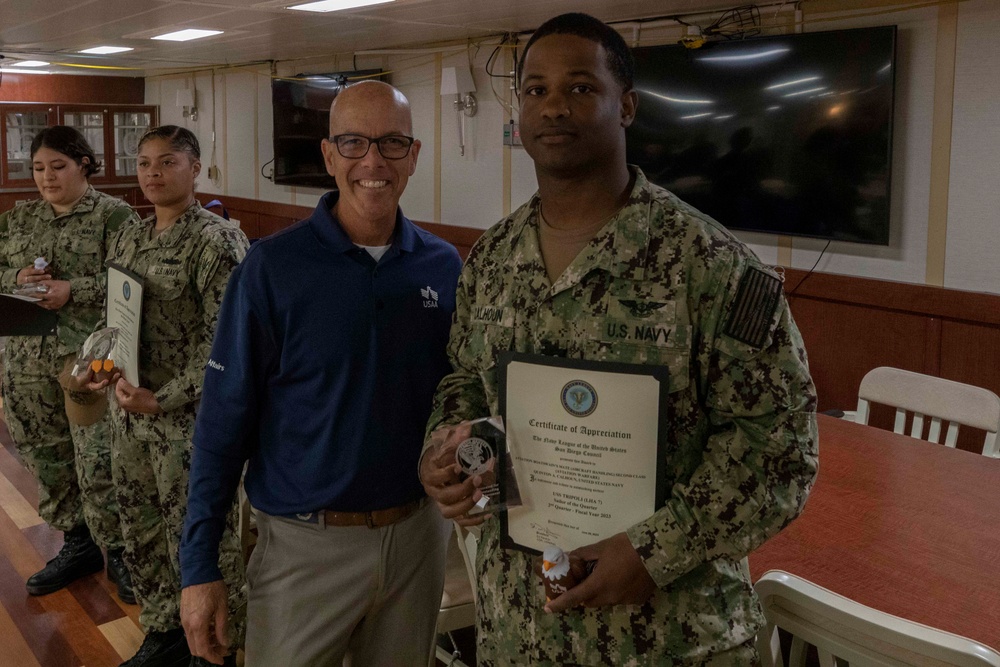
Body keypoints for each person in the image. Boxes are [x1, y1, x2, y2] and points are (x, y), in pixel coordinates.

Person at [420, 13, 819, 666]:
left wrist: (656, 549)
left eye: (580, 88)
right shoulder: (492, 257)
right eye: (536, 90)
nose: (554, 106)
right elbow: (466, 379)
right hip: (520, 632)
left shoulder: (713, 265)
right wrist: (455, 453)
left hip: (670, 638)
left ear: (626, 106)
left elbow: (779, 452)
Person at [179, 80, 462, 666]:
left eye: (392, 142)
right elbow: (221, 423)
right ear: (330, 156)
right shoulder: (271, 268)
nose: (374, 161)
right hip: (303, 548)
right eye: (354, 143)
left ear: (414, 154)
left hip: (417, 541)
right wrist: (199, 567)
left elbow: (459, 398)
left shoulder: (442, 265)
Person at [89, 125, 249, 667]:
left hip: (188, 423)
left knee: (201, 539)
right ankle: (162, 630)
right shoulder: (131, 234)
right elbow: (115, 315)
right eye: (144, 163)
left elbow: (226, 343)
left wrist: (164, 398)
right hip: (129, 414)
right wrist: (99, 364)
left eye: (168, 162)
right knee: (143, 530)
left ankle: (217, 646)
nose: (153, 174)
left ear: (195, 169)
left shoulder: (216, 240)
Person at [0, 126, 137, 603]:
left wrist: (72, 289)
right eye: (38, 168)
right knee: (46, 453)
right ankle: (78, 543)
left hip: (89, 361)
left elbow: (131, 281)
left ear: (84, 164)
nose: (46, 177)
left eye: (58, 166)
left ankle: (118, 548)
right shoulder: (19, 220)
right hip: (25, 358)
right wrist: (15, 275)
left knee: (99, 456)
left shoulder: (113, 216)